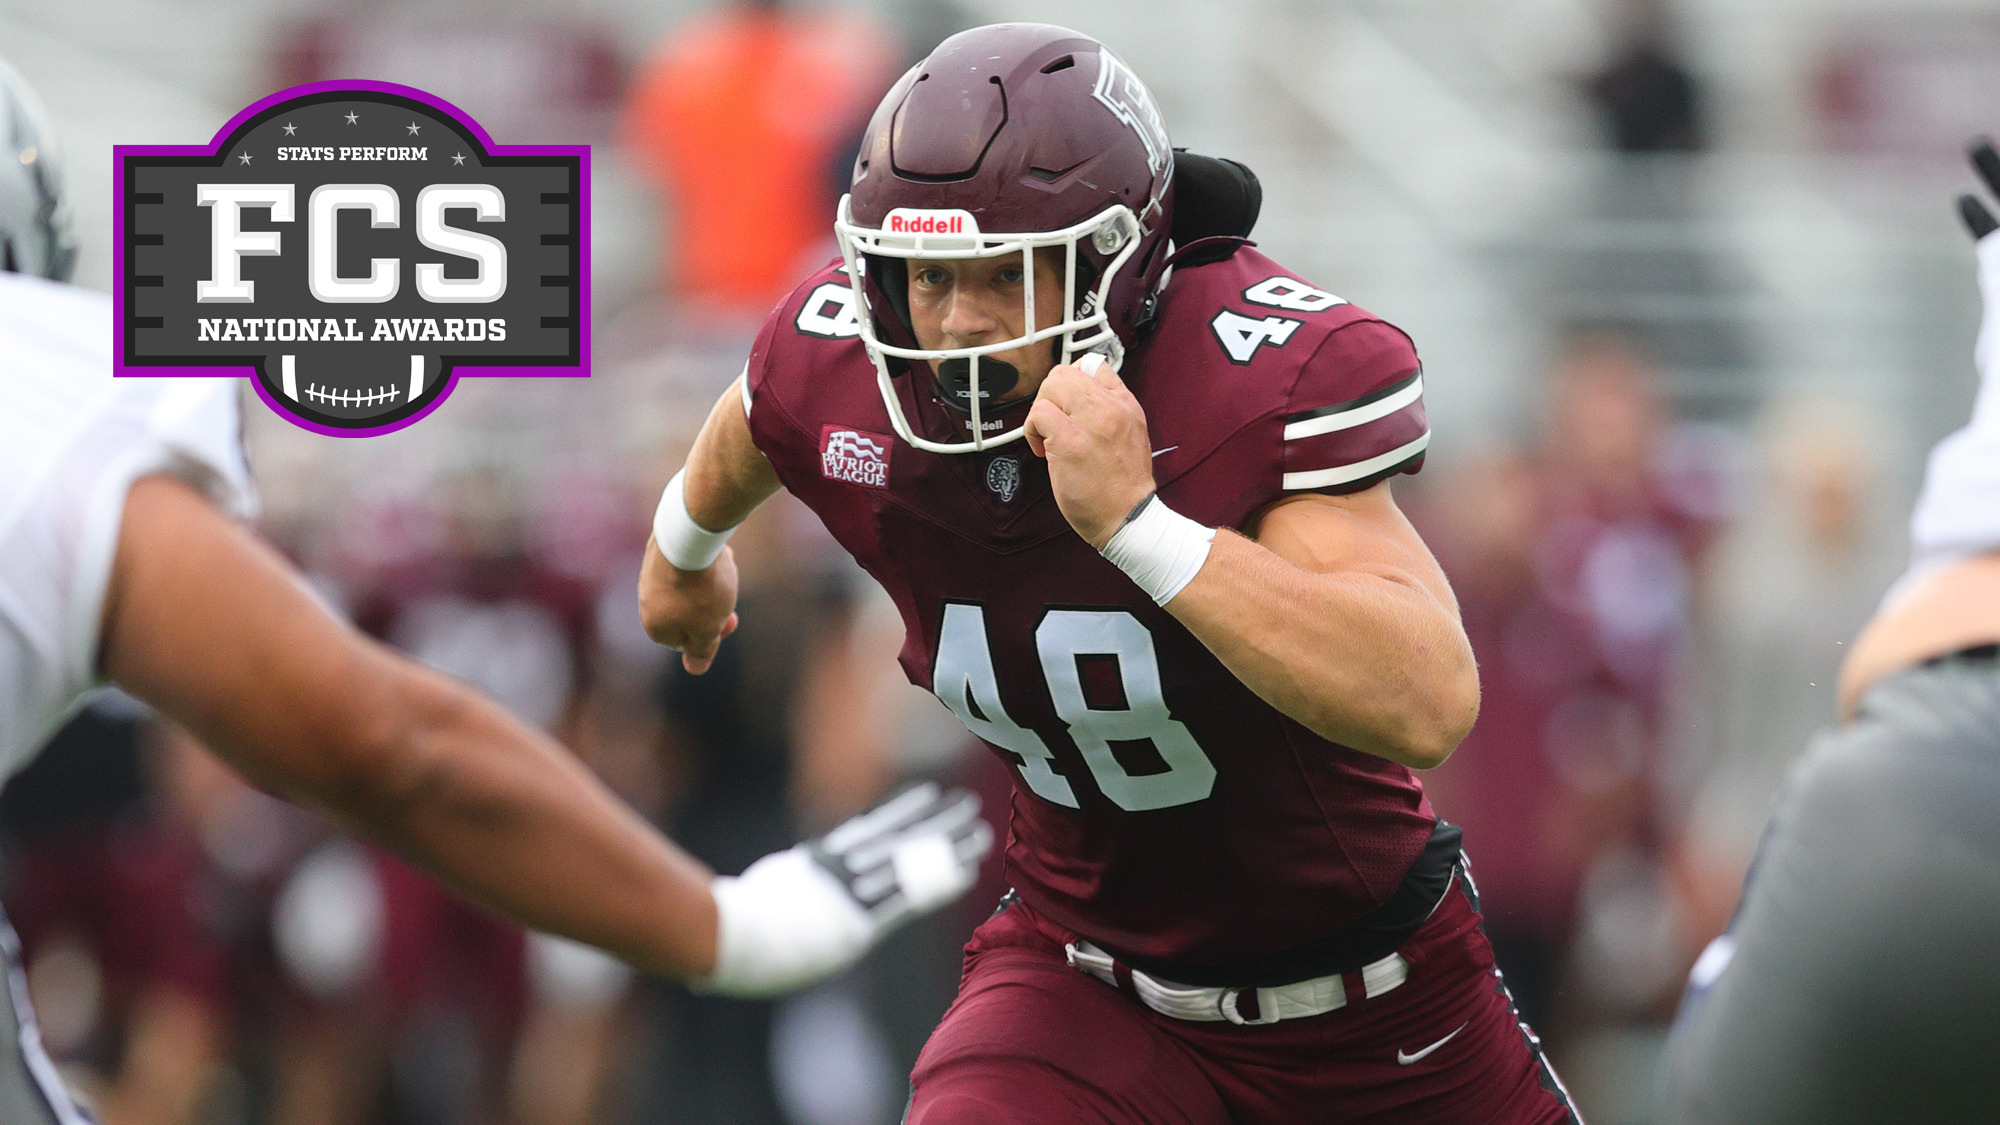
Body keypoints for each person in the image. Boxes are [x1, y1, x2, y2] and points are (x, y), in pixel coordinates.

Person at [0, 58, 991, 1125]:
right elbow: (381, 741)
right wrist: (727, 925)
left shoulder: (567, 578)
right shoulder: (44, 396)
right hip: (412, 841)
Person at [639, 23, 1581, 1124]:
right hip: (1080, 986)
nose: (951, 328)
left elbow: (1425, 699)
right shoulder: (849, 361)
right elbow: (756, 417)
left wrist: (1139, 526)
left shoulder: (1246, 375)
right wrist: (683, 556)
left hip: (1372, 1012)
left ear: (1114, 259)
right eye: (923, 281)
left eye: (999, 278)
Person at [1656, 145, 2000, 1124]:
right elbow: (1709, 705)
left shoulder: (1895, 557)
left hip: (1873, 811)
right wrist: (1695, 821)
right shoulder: (1749, 573)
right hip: (1784, 809)